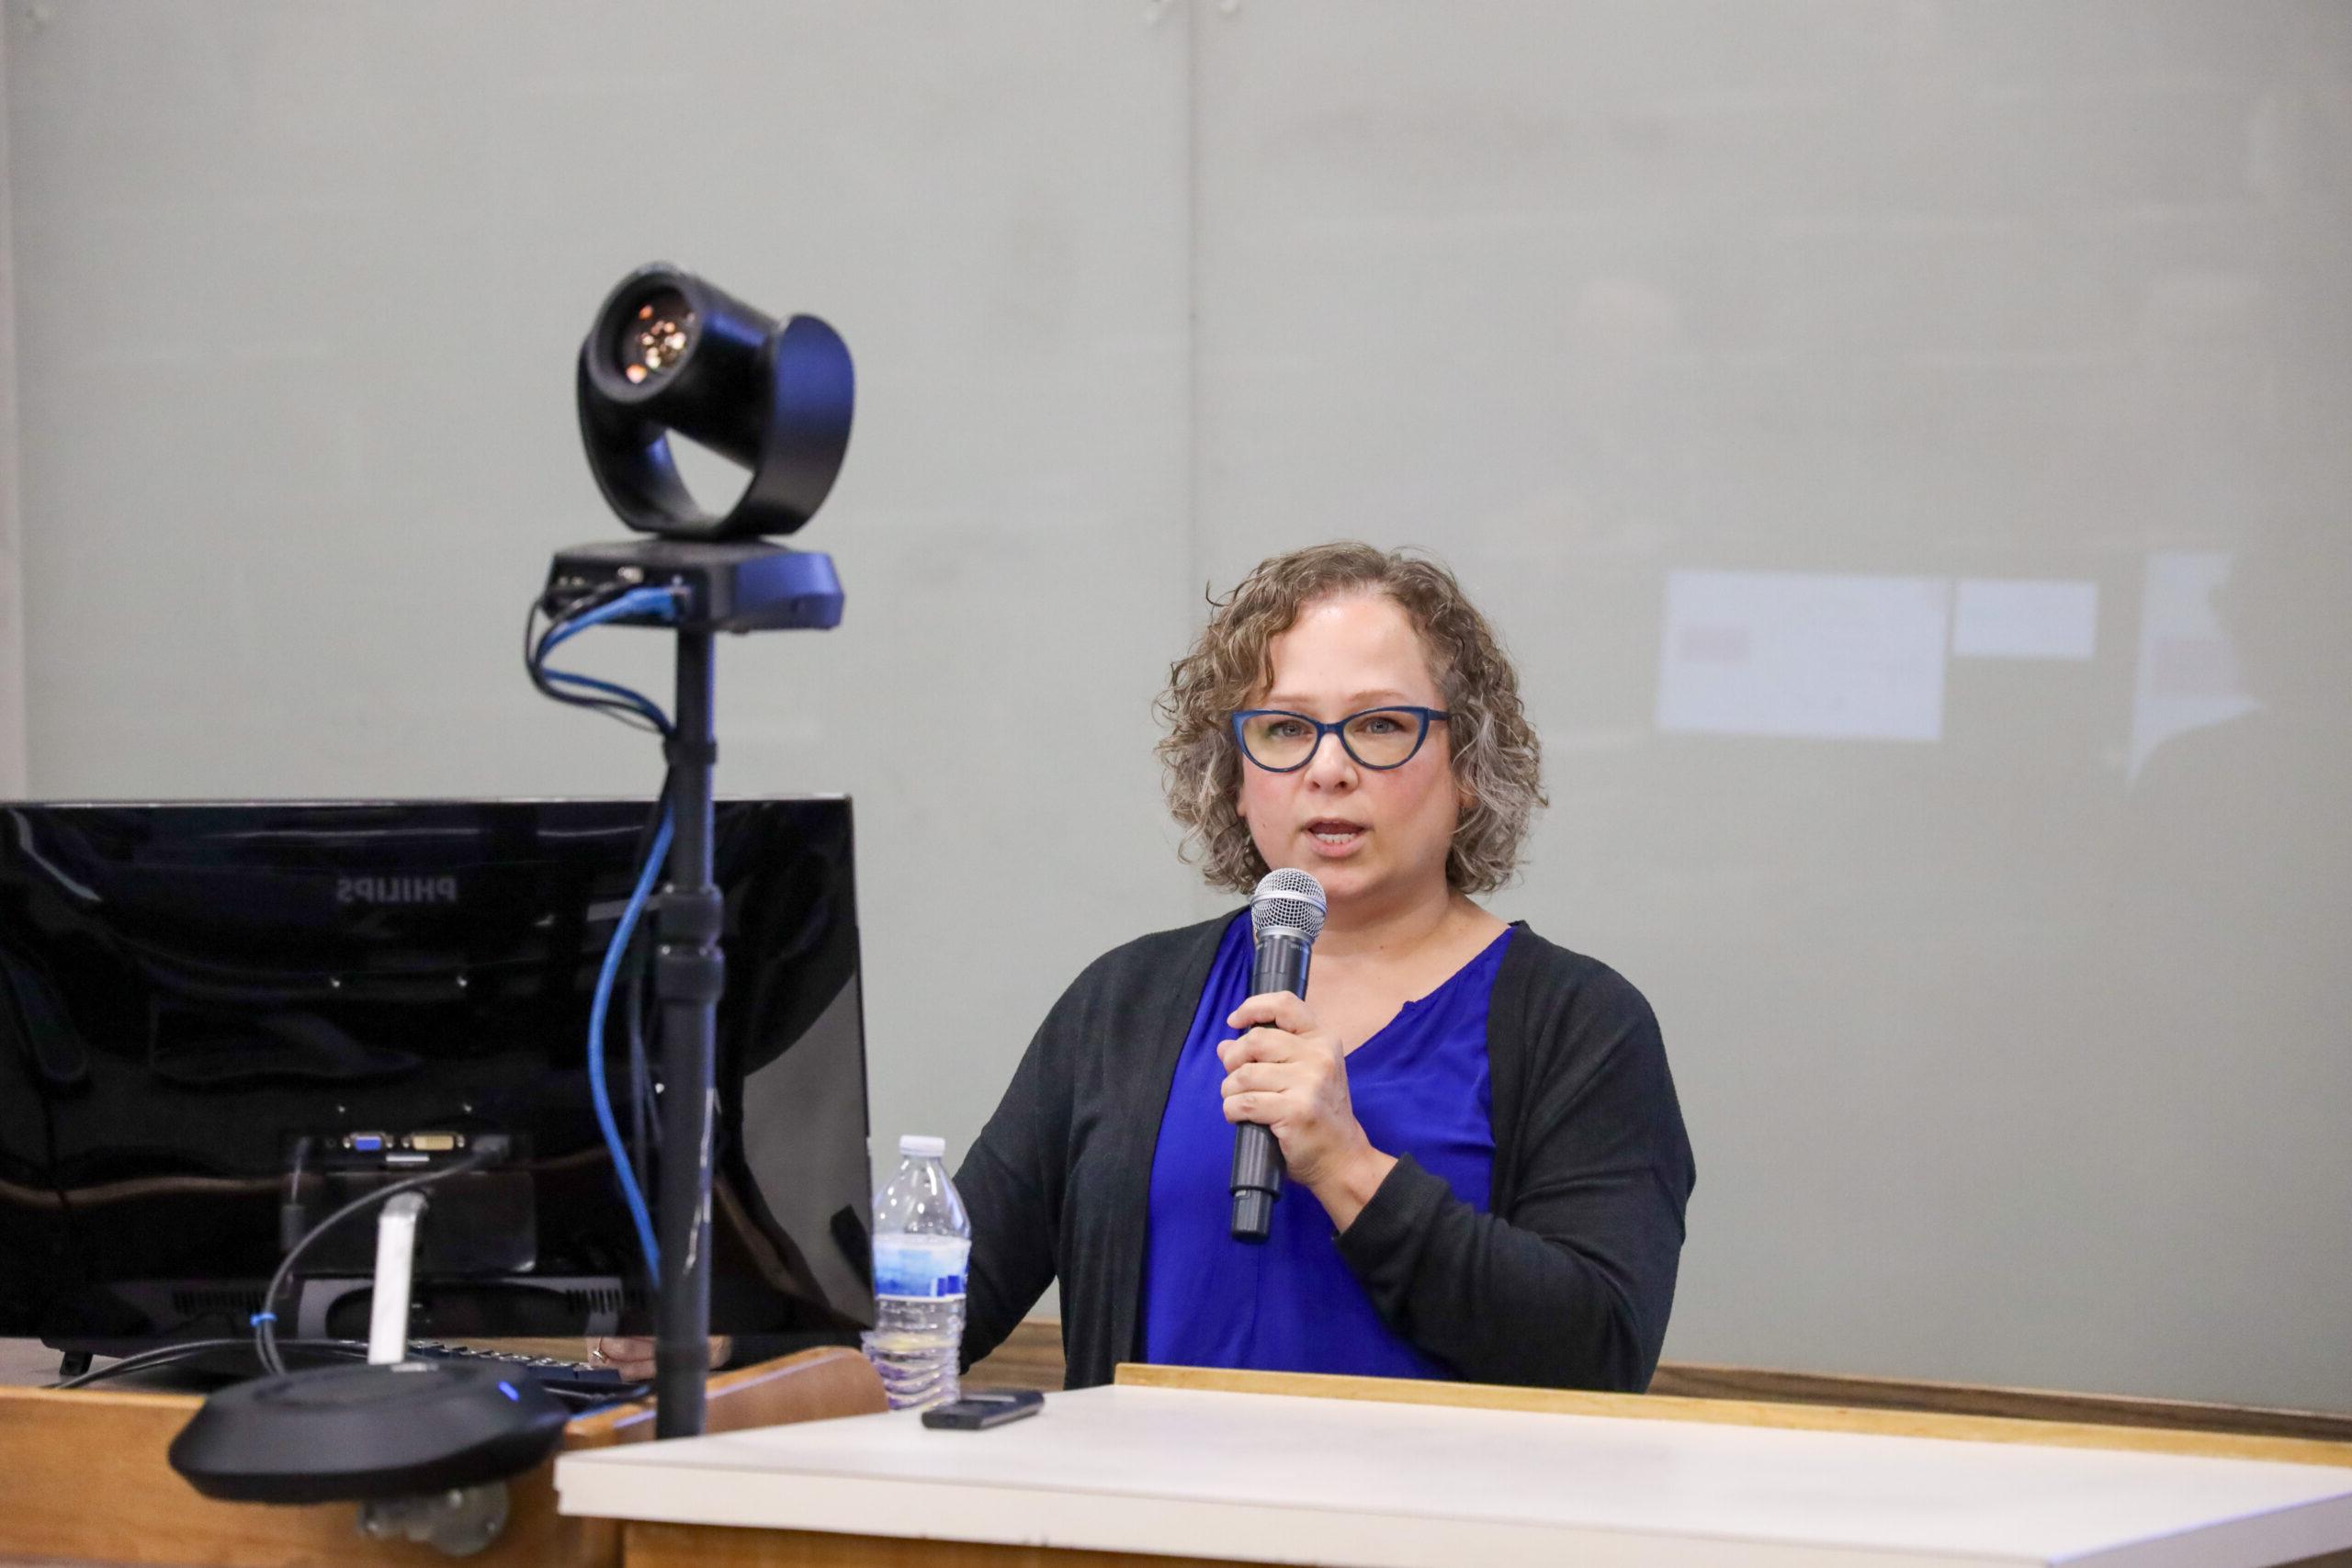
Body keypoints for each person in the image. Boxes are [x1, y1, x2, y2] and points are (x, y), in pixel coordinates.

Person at [954, 541, 1695, 1391]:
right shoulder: (1125, 1003)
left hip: (1427, 1522)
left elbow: (1599, 1354)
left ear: (1467, 769)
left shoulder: (1579, 1023)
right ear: (1234, 777)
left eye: (1381, 725)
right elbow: (947, 1300)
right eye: (1285, 729)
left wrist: (1348, 1166)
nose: (1328, 769)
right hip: (1149, 1517)